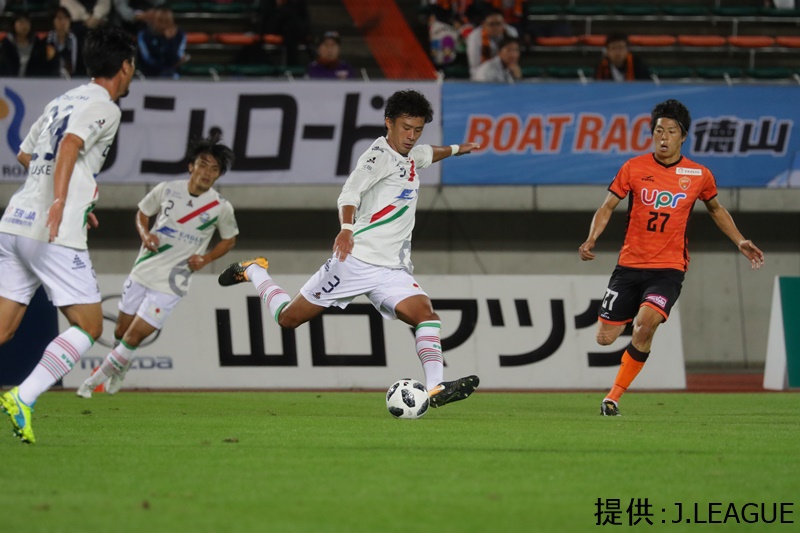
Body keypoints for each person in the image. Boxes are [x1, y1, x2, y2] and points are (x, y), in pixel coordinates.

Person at [218, 89, 481, 409]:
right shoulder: (377, 157)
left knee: (425, 315)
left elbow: (429, 153)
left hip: (392, 270)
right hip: (354, 261)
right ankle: (254, 271)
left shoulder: (411, 154)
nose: (411, 136)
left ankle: (435, 386)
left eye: (417, 129)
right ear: (388, 122)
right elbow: (349, 193)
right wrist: (346, 229)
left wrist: (457, 149)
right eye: (405, 128)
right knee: (288, 319)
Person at [578, 99, 765, 417]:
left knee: (645, 326)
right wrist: (592, 237)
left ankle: (613, 397)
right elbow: (607, 206)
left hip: (668, 269)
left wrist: (740, 240)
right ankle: (631, 313)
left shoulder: (699, 174)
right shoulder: (633, 168)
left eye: (671, 131)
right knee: (605, 338)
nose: (663, 137)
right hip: (629, 266)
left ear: (683, 136)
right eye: (658, 131)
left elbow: (716, 209)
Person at [0, 26, 136, 444]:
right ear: (125, 67)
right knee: (89, 325)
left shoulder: (63, 99)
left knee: (2, 330)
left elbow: (26, 152)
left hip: (15, 222)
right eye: (132, 67)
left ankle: (22, 396)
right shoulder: (105, 107)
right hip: (51, 232)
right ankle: (23, 396)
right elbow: (71, 144)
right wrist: (60, 201)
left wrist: (71, 193)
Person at [76, 137, 238, 398]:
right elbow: (142, 213)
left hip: (173, 281)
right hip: (144, 269)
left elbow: (229, 239)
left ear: (218, 175)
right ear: (191, 166)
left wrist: (206, 259)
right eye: (202, 165)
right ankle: (121, 367)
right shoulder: (167, 189)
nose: (207, 173)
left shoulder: (220, 207)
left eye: (214, 169)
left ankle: (90, 384)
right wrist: (145, 234)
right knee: (121, 331)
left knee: (133, 337)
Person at [466, 7, 518, 77]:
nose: (496, 27)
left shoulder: (511, 32)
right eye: (492, 24)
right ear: (484, 24)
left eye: (499, 24)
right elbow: (475, 66)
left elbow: (514, 58)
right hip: (483, 74)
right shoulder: (475, 37)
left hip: (506, 72)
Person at [137, 6, 186, 78]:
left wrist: (170, 40)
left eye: (167, 21)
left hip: (172, 74)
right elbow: (146, 58)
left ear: (172, 21)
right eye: (160, 20)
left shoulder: (179, 35)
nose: (163, 24)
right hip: (149, 74)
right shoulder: (144, 35)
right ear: (154, 20)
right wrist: (164, 69)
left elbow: (176, 59)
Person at [0, 12, 52, 77]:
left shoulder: (37, 43)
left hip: (33, 80)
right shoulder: (6, 44)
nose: (24, 26)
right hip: (10, 79)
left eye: (27, 23)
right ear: (14, 24)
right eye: (21, 22)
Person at [45, 7, 80, 78]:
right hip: (50, 79)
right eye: (59, 18)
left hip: (71, 79)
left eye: (66, 18)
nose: (63, 22)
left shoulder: (74, 39)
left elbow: (76, 64)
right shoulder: (48, 39)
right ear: (54, 21)